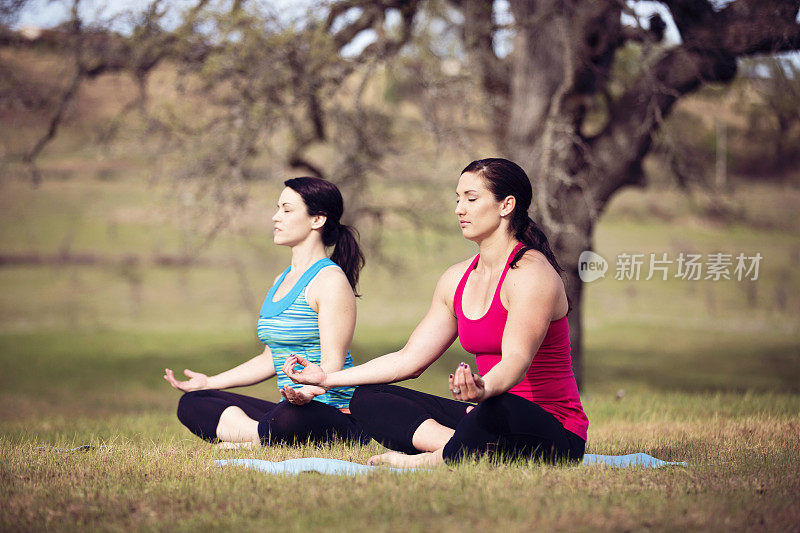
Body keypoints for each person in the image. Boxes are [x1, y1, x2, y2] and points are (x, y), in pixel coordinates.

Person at [283, 158, 588, 467]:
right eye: (458, 199)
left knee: (494, 409)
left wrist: (484, 390)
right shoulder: (457, 278)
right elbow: (409, 360)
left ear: (506, 205)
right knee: (367, 398)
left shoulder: (531, 273)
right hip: (483, 413)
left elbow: (516, 361)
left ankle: (429, 461)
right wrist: (327, 378)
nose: (459, 209)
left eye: (471, 198)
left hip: (551, 430)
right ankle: (466, 448)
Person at [164, 176, 369, 448]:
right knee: (193, 402)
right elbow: (270, 359)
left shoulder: (330, 281)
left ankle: (256, 438)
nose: (275, 217)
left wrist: (308, 393)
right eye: (277, 208)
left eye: (286, 209)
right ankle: (263, 437)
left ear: (316, 220)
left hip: (334, 415)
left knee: (286, 416)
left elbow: (332, 364)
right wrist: (209, 382)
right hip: (291, 408)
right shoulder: (280, 281)